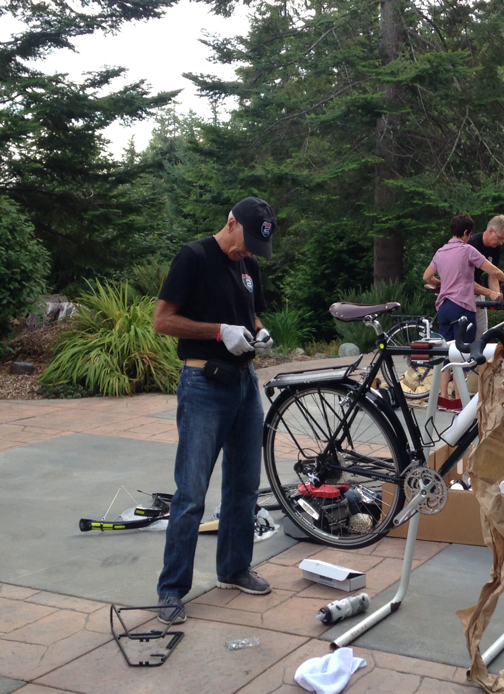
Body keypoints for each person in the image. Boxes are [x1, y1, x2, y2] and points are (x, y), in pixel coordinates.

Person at [153, 197, 277, 624]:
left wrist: (260, 333)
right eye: (246, 245)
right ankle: (171, 589)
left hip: (244, 384)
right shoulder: (193, 257)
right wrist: (218, 332)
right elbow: (163, 320)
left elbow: (252, 313)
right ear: (231, 222)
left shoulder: (249, 266)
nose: (248, 256)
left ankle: (234, 568)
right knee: (190, 494)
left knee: (244, 485)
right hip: (203, 382)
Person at [424, 214, 504, 408]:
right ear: (465, 232)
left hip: (444, 306)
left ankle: (443, 398)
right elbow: (489, 272)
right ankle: (461, 400)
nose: (470, 237)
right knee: (464, 354)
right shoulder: (468, 249)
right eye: (469, 234)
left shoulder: (441, 251)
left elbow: (427, 276)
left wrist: (441, 286)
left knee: (447, 352)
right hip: (463, 304)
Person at [468, 215, 504, 334]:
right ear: (490, 231)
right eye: (500, 238)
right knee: (466, 335)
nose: (501, 243)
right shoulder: (472, 244)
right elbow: (465, 279)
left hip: (478, 291)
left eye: (503, 240)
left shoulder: (496, 248)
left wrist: (498, 297)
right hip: (464, 291)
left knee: (482, 333)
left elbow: (493, 274)